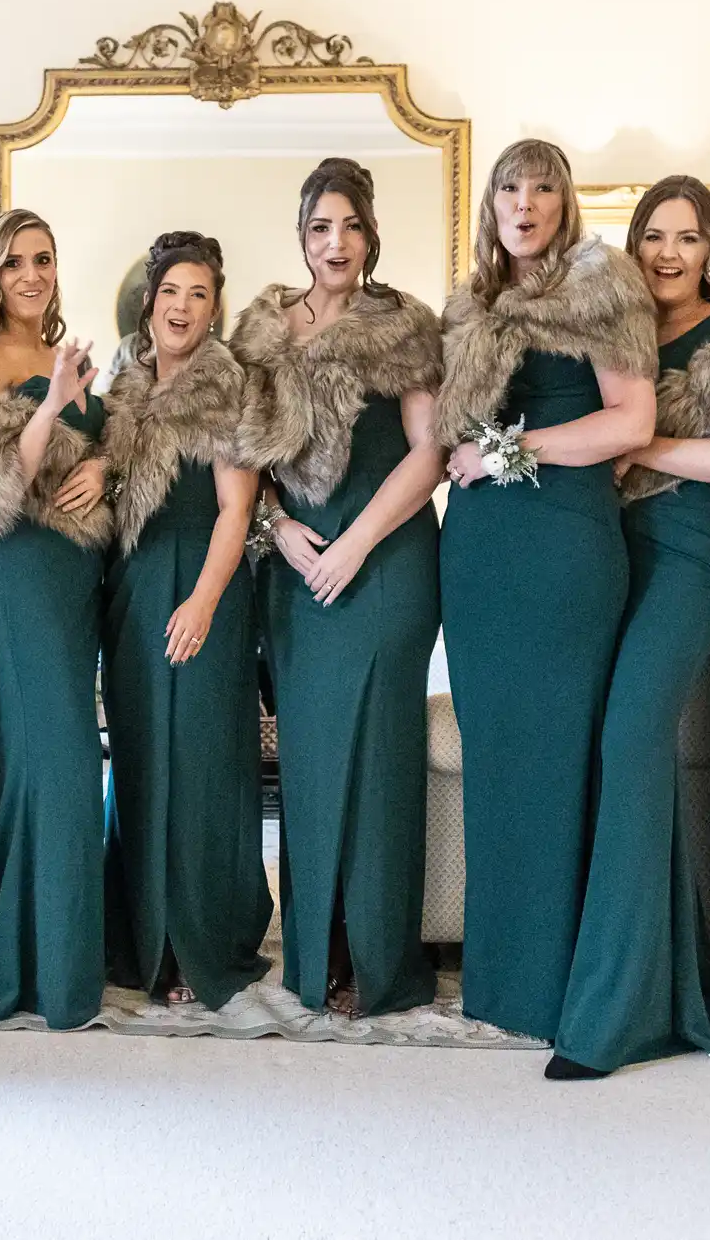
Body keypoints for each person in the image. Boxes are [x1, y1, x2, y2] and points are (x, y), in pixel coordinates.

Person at [546, 175, 710, 1078]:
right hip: (614, 556)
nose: (666, 252)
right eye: (653, 233)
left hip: (689, 556)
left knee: (631, 736)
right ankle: (679, 974)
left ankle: (616, 1011)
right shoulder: (614, 331)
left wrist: (631, 437)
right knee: (618, 754)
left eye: (686, 238)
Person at [435, 139, 659, 1042]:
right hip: (480, 553)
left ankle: (562, 981)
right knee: (496, 760)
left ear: (565, 204)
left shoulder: (604, 286)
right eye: (509, 190)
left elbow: (632, 420)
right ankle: (500, 977)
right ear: (490, 205)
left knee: (558, 757)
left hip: (563, 543)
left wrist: (506, 451)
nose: (524, 205)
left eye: (542, 190)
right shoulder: (471, 303)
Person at [233, 158, 443, 1018]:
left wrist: (354, 544)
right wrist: (279, 530)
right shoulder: (259, 331)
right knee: (313, 767)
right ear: (301, 235)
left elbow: (430, 452)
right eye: (321, 227)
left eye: (351, 225)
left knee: (382, 762)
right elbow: (243, 460)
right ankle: (315, 956)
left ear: (371, 233)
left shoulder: (405, 326)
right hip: (294, 570)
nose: (336, 243)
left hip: (385, 557)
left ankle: (378, 959)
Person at [0, 209, 112, 1030]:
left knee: (48, 758)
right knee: (62, 760)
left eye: (43, 258)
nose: (31, 274)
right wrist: (52, 402)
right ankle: (36, 969)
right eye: (13, 262)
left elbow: (100, 445)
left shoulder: (63, 352)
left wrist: (109, 462)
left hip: (80, 573)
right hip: (20, 569)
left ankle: (56, 955)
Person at [99, 230, 270, 1009]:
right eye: (172, 290)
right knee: (140, 763)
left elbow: (240, 507)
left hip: (206, 583)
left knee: (200, 765)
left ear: (214, 310)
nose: (182, 305)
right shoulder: (125, 389)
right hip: (133, 592)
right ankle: (140, 939)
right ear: (148, 299)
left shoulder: (228, 386)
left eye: (200, 294)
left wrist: (202, 602)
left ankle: (195, 942)